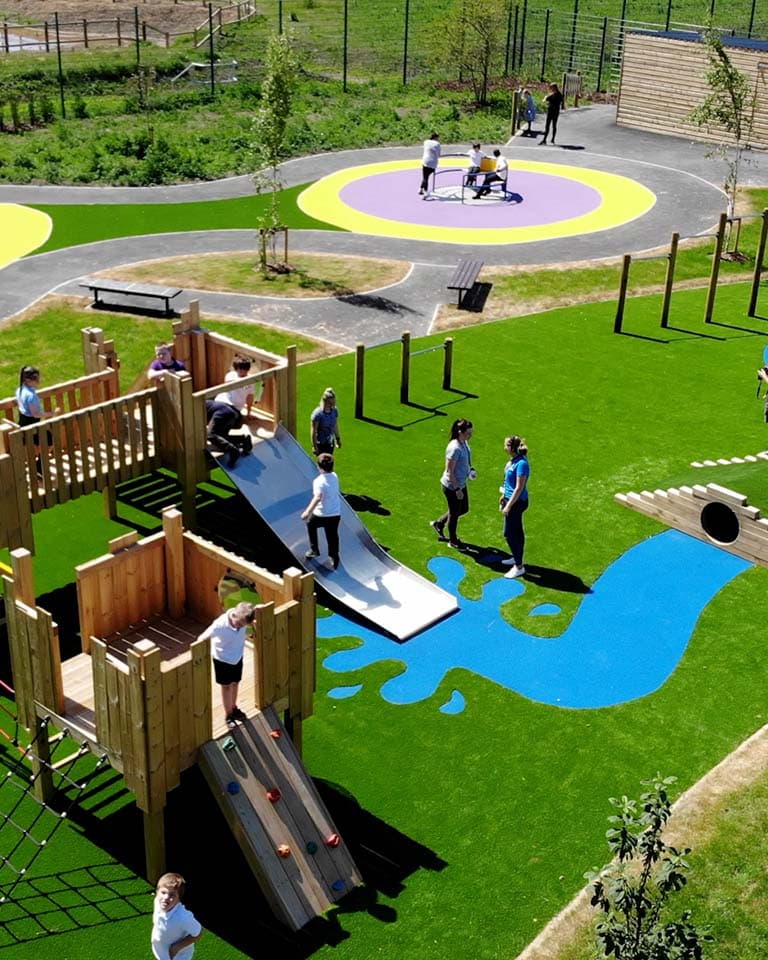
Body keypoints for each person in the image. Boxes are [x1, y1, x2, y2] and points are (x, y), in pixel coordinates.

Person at [198, 601, 257, 729]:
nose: (240, 627)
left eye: (243, 626)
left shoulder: (242, 619)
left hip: (237, 657)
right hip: (222, 659)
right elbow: (202, 638)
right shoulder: (220, 625)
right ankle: (228, 714)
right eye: (239, 624)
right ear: (234, 615)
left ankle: (233, 707)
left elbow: (254, 611)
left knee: (235, 683)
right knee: (226, 687)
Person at [430, 418, 474, 549]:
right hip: (452, 486)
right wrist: (457, 489)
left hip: (461, 483)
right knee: (454, 514)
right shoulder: (454, 448)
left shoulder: (464, 443)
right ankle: (453, 540)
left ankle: (439, 523)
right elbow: (450, 471)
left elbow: (465, 461)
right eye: (468, 433)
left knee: (463, 509)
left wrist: (470, 470)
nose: (470, 436)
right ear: (460, 432)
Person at [205, 355, 256, 468]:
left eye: (245, 369)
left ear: (248, 369)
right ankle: (243, 440)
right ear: (236, 368)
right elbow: (233, 384)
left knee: (210, 435)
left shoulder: (249, 380)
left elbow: (250, 397)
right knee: (219, 436)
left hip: (226, 409)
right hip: (229, 411)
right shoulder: (231, 376)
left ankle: (233, 450)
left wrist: (248, 413)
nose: (242, 371)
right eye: (240, 369)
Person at [301, 452, 342, 571]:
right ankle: (334, 556)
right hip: (335, 514)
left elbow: (317, 497)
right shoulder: (335, 476)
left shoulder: (318, 481)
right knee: (332, 536)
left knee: (310, 524)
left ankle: (314, 549)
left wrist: (307, 512)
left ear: (319, 467)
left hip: (322, 514)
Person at [151, 872, 203, 960]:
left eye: (172, 895)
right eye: (163, 892)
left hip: (178, 956)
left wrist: (176, 948)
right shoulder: (157, 901)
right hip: (161, 951)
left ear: (179, 898)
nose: (166, 897)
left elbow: (198, 932)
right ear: (157, 892)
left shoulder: (183, 917)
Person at [499, 435, 530, 579]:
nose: (504, 447)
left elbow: (519, 487)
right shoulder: (513, 461)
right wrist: (503, 496)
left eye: (506, 445)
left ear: (511, 447)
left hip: (517, 502)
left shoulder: (522, 464)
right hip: (510, 499)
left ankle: (519, 566)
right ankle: (517, 556)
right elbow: (508, 482)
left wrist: (508, 506)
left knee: (509, 533)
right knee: (517, 530)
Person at [15, 365, 60, 459]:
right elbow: (36, 414)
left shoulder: (20, 390)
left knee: (34, 444)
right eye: (36, 379)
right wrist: (53, 413)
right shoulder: (31, 396)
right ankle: (40, 463)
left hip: (23, 423)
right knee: (50, 441)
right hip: (32, 425)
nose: (39, 381)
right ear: (27, 380)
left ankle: (38, 461)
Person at [310, 387, 342, 456]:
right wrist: (314, 446)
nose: (332, 405)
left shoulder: (334, 411)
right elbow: (314, 431)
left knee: (329, 462)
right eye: (330, 403)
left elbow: (335, 425)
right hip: (320, 444)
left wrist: (338, 439)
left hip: (330, 443)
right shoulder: (318, 414)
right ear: (325, 401)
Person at [419, 132, 441, 196]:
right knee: (426, 177)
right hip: (433, 163)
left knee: (425, 177)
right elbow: (439, 154)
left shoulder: (426, 142)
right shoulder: (437, 144)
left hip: (425, 161)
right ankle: (424, 191)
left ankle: (421, 189)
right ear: (436, 137)